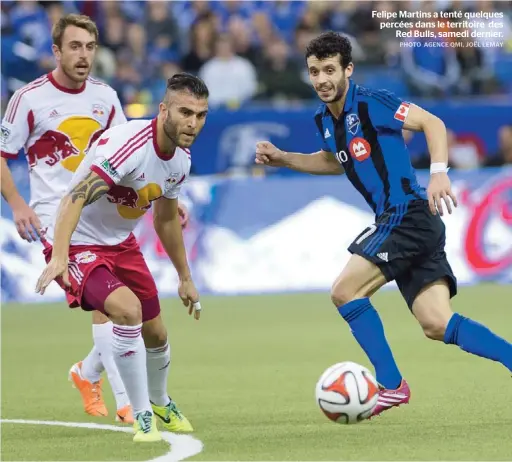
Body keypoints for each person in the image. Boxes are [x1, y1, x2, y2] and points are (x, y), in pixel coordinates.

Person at [255, 32, 512, 417]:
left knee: (345, 291)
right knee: (436, 323)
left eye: (329, 70)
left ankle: (391, 385)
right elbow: (333, 160)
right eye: (314, 72)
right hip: (411, 224)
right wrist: (285, 159)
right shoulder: (325, 119)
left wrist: (439, 173)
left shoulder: (370, 102)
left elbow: (432, 122)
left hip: (405, 213)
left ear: (348, 69)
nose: (322, 79)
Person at [0, 13, 189, 424]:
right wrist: (17, 203)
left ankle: (88, 374)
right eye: (74, 47)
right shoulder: (29, 99)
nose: (83, 55)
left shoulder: (105, 96)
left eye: (89, 47)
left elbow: (130, 151)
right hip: (57, 216)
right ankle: (126, 402)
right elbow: (1, 154)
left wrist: (164, 194)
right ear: (56, 51)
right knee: (113, 307)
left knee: (124, 309)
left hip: (104, 214)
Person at [35, 72, 207, 442]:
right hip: (77, 239)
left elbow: (165, 219)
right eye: (185, 112)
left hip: (120, 243)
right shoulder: (128, 146)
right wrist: (60, 256)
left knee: (157, 333)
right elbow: (75, 196)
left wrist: (185, 277)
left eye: (200, 114)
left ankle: (160, 401)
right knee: (127, 309)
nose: (193, 123)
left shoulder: (180, 161)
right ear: (163, 111)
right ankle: (142, 414)